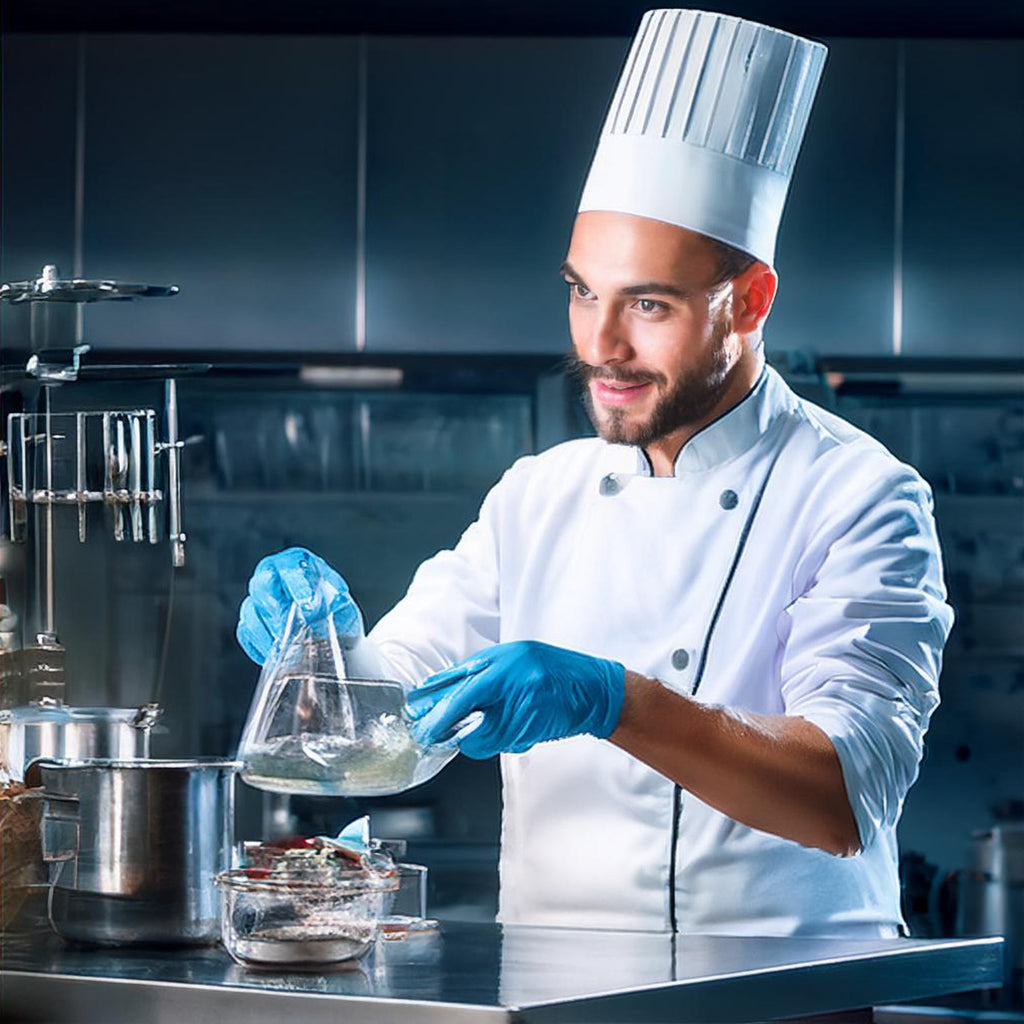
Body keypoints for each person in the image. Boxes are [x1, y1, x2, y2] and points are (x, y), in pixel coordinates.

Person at [237, 10, 953, 938]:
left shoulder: (860, 496)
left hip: (781, 994)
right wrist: (325, 656)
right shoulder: (538, 495)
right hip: (551, 994)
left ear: (751, 300)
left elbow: (845, 795)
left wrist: (614, 700)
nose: (601, 347)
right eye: (583, 293)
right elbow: (400, 728)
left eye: (647, 304)